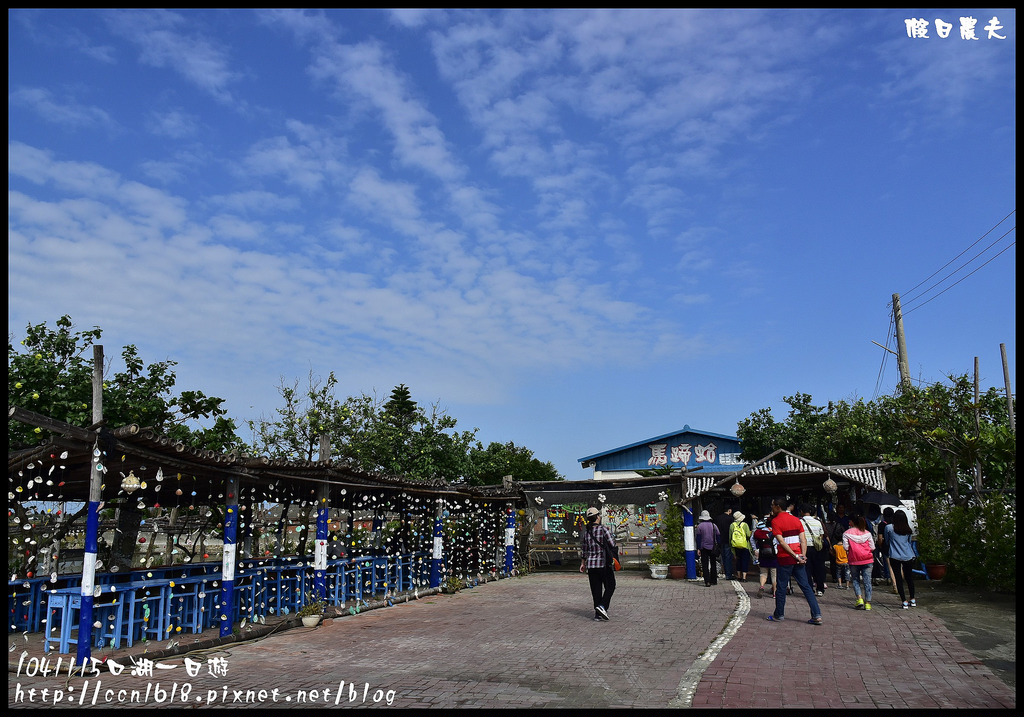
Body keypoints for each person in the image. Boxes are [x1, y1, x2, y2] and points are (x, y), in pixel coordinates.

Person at [765, 496, 822, 625]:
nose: (771, 508)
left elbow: (781, 541)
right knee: (806, 587)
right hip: (798, 558)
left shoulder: (776, 521)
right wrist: (802, 555)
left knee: (781, 587)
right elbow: (803, 540)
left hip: (785, 558)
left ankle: (779, 614)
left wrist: (794, 556)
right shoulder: (797, 520)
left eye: (772, 505)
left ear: (778, 507)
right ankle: (816, 614)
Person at [579, 507, 616, 620]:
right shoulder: (603, 529)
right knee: (610, 586)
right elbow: (612, 544)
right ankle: (602, 606)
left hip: (591, 565)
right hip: (603, 564)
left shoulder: (587, 533)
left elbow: (584, 550)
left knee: (596, 590)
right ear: (598, 517)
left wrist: (583, 563)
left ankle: (597, 615)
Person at [885, 509, 918, 609]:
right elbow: (908, 542)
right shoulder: (908, 530)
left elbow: (887, 541)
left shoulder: (889, 528)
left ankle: (904, 601)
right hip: (908, 555)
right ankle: (912, 599)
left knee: (898, 578)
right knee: (909, 578)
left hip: (894, 555)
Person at [844, 515, 876, 611]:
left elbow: (846, 547)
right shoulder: (868, 533)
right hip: (867, 559)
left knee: (855, 580)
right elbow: (873, 547)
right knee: (867, 581)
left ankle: (859, 598)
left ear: (852, 522)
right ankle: (868, 603)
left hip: (854, 560)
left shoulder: (846, 533)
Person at [799, 504, 828, 596]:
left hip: (805, 547)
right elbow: (821, 535)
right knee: (818, 568)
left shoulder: (800, 522)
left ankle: (810, 589)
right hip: (817, 548)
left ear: (802, 512)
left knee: (807, 569)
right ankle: (820, 589)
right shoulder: (817, 521)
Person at [752, 517, 777, 599]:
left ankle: (762, 586)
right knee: (774, 575)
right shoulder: (775, 532)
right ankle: (774, 592)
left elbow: (752, 539)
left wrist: (755, 549)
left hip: (763, 554)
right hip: (774, 555)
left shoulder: (759, 532)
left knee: (763, 573)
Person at [695, 510, 721, 587]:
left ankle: (707, 581)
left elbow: (698, 538)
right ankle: (714, 580)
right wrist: (718, 546)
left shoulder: (700, 526)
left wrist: (698, 548)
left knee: (705, 564)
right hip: (713, 547)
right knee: (713, 563)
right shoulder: (714, 525)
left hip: (703, 547)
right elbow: (718, 536)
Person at [729, 511, 752, 582]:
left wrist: (732, 547)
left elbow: (730, 537)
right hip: (745, 545)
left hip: (736, 545)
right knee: (745, 561)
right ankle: (744, 577)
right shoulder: (745, 525)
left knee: (738, 561)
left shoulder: (732, 525)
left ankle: (739, 576)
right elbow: (748, 535)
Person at [714, 507, 735, 579]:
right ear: (730, 510)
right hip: (728, 540)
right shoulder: (730, 519)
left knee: (721, 557)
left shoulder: (718, 518)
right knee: (728, 557)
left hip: (719, 539)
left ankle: (722, 572)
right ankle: (728, 574)